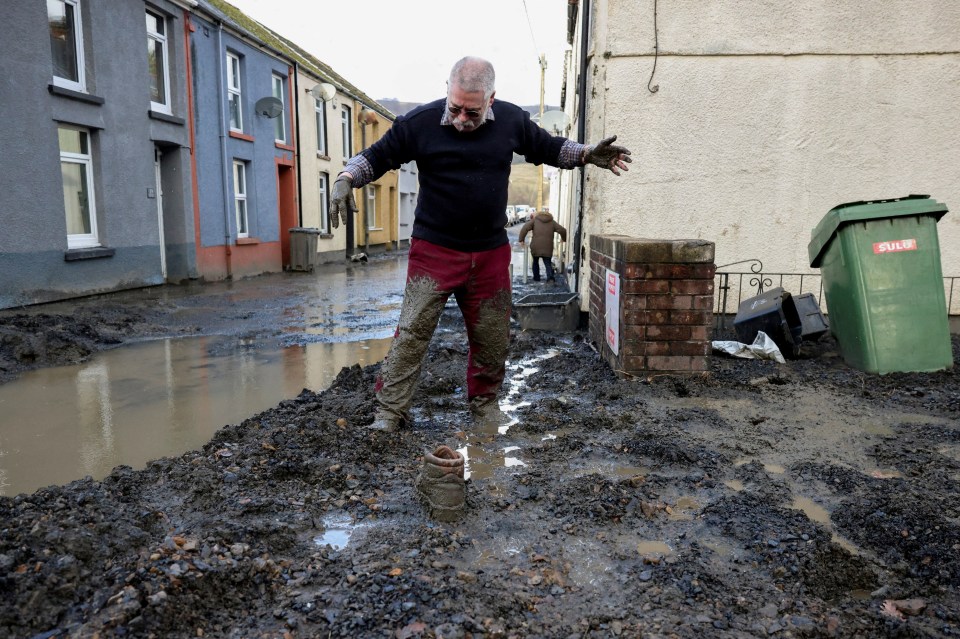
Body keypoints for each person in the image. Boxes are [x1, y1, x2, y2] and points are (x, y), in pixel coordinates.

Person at [331, 56, 631, 432]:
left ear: (491, 99)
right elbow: (376, 157)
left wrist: (587, 154)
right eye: (454, 108)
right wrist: (346, 177)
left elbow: (548, 147)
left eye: (471, 112)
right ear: (447, 92)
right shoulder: (420, 123)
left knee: (491, 337)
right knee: (411, 333)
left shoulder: (511, 120)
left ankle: (485, 404)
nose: (460, 119)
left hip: (489, 253)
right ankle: (390, 412)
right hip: (434, 252)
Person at [518, 210, 567, 282]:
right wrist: (564, 239)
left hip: (536, 246)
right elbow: (562, 230)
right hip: (548, 247)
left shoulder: (534, 221)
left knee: (535, 262)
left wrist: (521, 240)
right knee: (547, 263)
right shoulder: (552, 222)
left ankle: (536, 278)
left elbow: (525, 228)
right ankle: (550, 277)